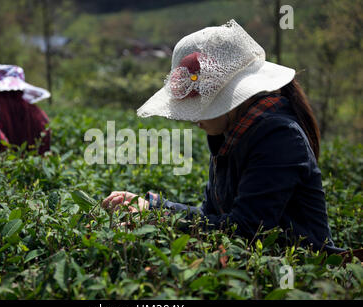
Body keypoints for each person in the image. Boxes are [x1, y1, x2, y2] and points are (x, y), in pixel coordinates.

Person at [102, 20, 343, 254]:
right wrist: (152, 207)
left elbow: (246, 231)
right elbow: (214, 219)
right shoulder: (229, 135)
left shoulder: (279, 137)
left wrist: (158, 216)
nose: (193, 117)